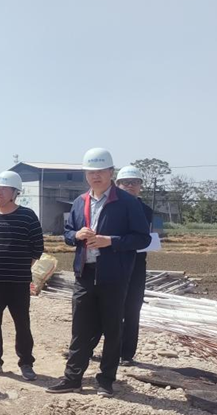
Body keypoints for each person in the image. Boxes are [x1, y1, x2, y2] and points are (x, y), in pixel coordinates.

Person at [47, 148, 151, 397]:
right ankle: (72, 378)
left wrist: (110, 241)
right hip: (84, 273)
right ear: (86, 175)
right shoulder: (79, 202)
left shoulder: (127, 203)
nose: (96, 176)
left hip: (114, 275)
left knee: (113, 329)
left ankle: (106, 381)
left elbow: (142, 238)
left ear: (111, 172)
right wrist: (76, 235)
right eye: (91, 172)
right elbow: (67, 234)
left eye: (101, 171)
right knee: (80, 329)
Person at [0, 171, 45, 381]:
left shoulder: (27, 216)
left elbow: (37, 247)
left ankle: (26, 363)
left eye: (4, 189)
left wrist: (20, 266)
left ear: (15, 193)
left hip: (18, 282)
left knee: (22, 323)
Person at [109, 165, 155, 366]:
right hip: (113, 262)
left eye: (134, 182)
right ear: (117, 184)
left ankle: (126, 353)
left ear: (140, 186)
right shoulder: (110, 206)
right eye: (125, 182)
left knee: (132, 308)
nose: (130, 186)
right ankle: (100, 349)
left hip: (136, 264)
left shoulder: (145, 210)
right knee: (106, 308)